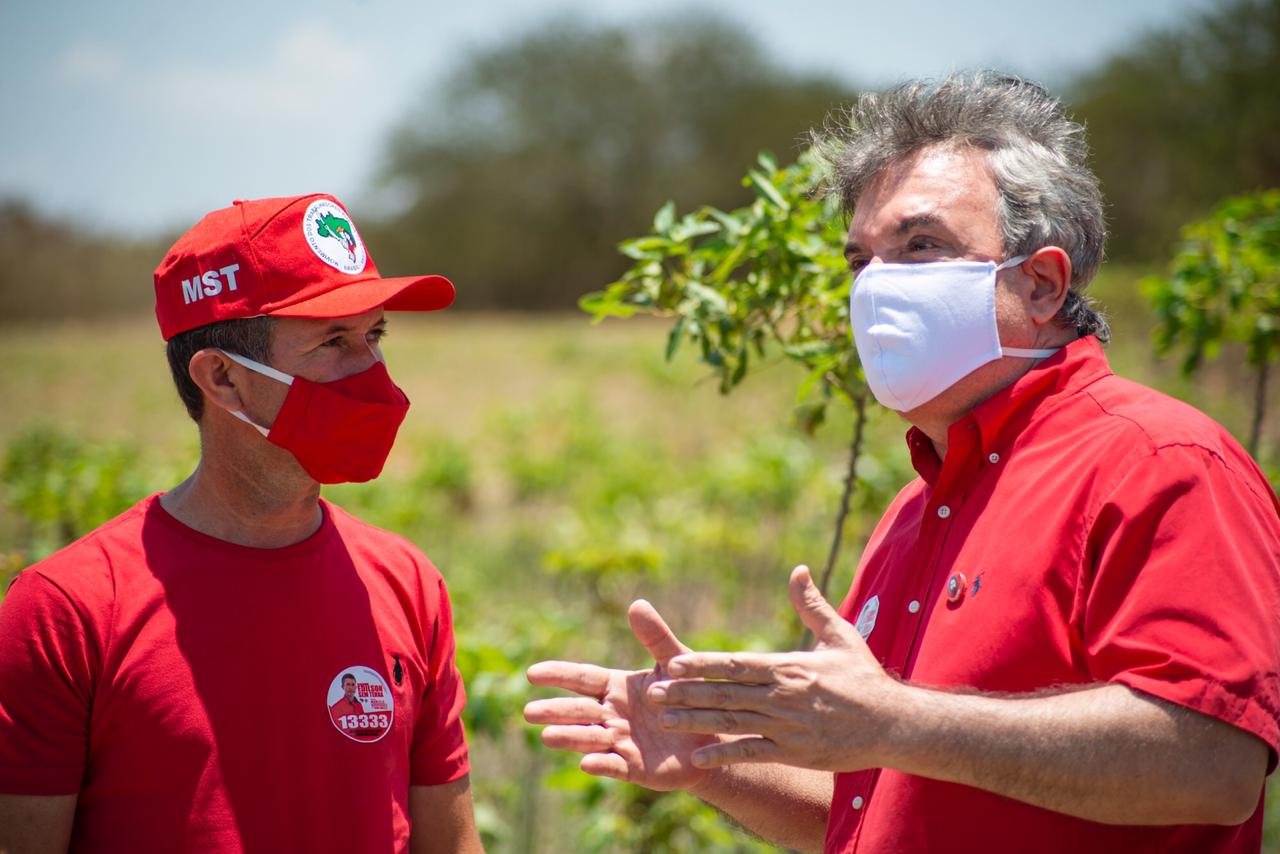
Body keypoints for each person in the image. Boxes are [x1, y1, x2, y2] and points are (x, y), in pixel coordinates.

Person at [524, 72, 1280, 853]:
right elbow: (877, 802)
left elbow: (1213, 763)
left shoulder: (1160, 464)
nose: (879, 286)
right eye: (861, 261)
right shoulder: (918, 508)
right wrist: (710, 760)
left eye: (921, 245)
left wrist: (896, 720)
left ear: (1043, 281)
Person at [0, 194, 483, 853]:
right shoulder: (68, 611)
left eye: (374, 335)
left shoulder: (407, 583)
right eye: (333, 342)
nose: (373, 372)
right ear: (223, 379)